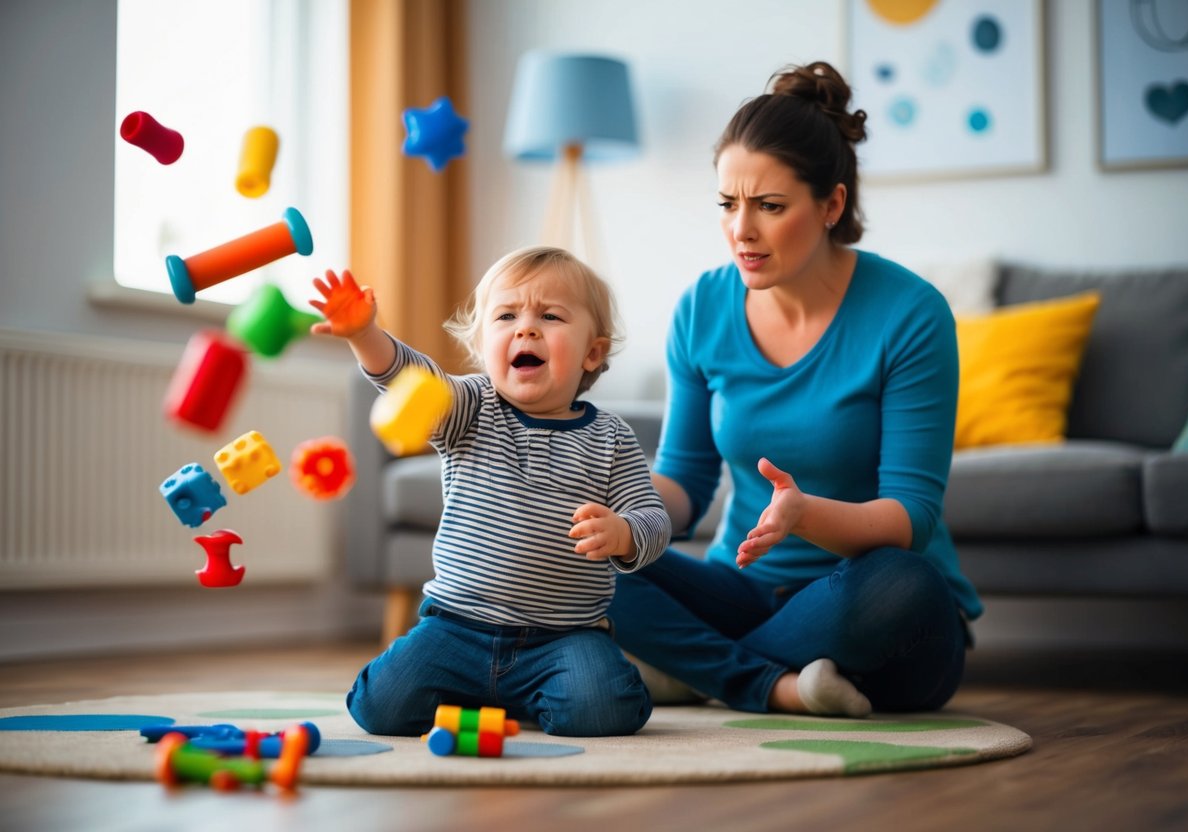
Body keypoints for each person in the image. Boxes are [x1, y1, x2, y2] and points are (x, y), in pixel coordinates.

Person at [607, 61, 983, 718]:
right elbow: (685, 486)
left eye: (769, 207)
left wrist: (803, 515)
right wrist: (610, 510)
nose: (740, 231)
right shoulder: (701, 308)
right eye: (727, 205)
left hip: (865, 601)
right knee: (579, 561)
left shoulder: (910, 314)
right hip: (742, 589)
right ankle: (762, 682)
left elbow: (910, 516)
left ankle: (695, 667)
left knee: (902, 590)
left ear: (830, 204)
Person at [311, 246, 672, 737]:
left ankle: (524, 696)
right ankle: (491, 699)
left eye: (550, 315)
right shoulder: (472, 407)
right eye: (506, 316)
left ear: (592, 351)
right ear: (483, 345)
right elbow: (413, 380)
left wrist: (626, 533)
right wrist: (364, 335)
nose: (526, 328)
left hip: (565, 637)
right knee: (381, 708)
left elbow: (653, 516)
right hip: (457, 628)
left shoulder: (612, 437)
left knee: (605, 711)